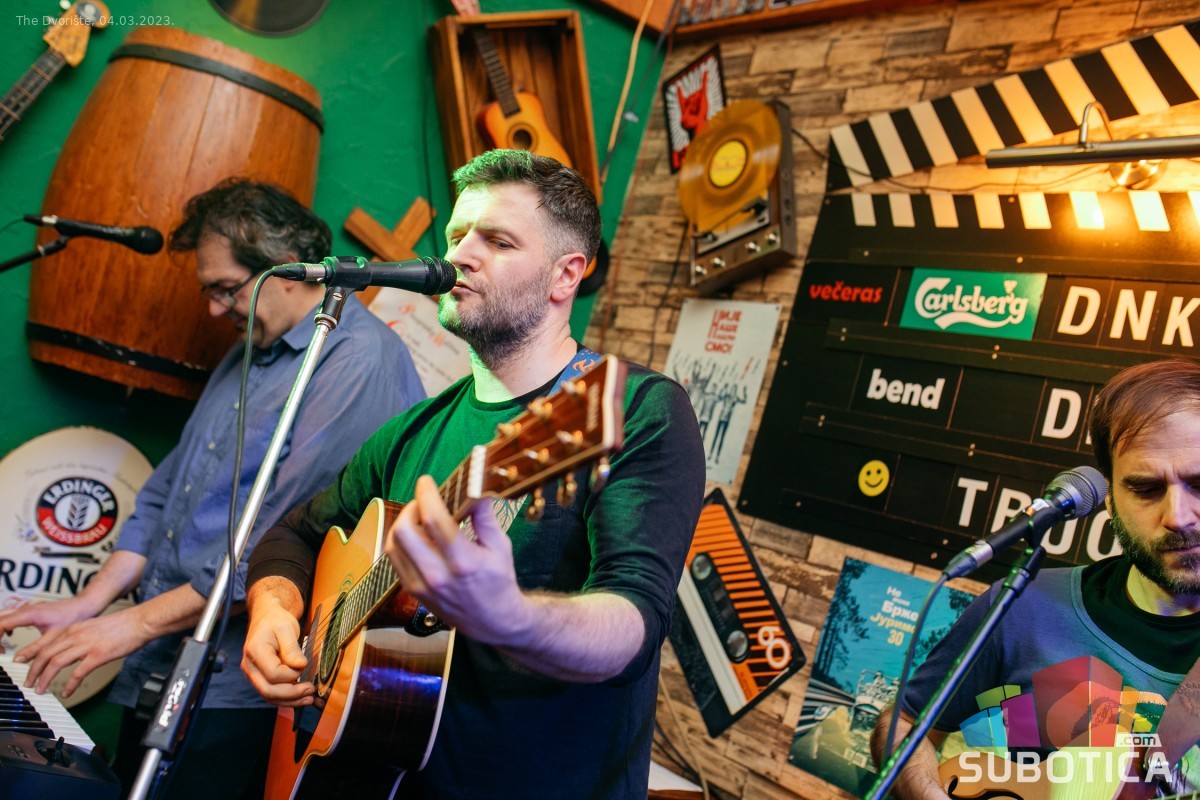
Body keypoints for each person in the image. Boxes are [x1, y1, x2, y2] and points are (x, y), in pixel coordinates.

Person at [241, 150, 706, 800]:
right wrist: (273, 609)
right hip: (370, 775)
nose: (460, 254)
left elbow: (635, 624)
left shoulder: (632, 409)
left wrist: (511, 617)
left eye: (498, 240)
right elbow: (293, 533)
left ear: (566, 275)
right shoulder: (410, 432)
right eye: (457, 235)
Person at [0, 178, 425, 799]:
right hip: (166, 655)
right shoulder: (251, 347)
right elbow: (164, 494)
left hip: (236, 689)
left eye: (227, 289)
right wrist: (88, 604)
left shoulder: (360, 361)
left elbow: (279, 540)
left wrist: (128, 626)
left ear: (287, 267)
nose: (215, 311)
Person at [871, 358, 1200, 799]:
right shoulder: (1025, 608)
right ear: (1109, 501)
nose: (1178, 516)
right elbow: (904, 725)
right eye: (1145, 488)